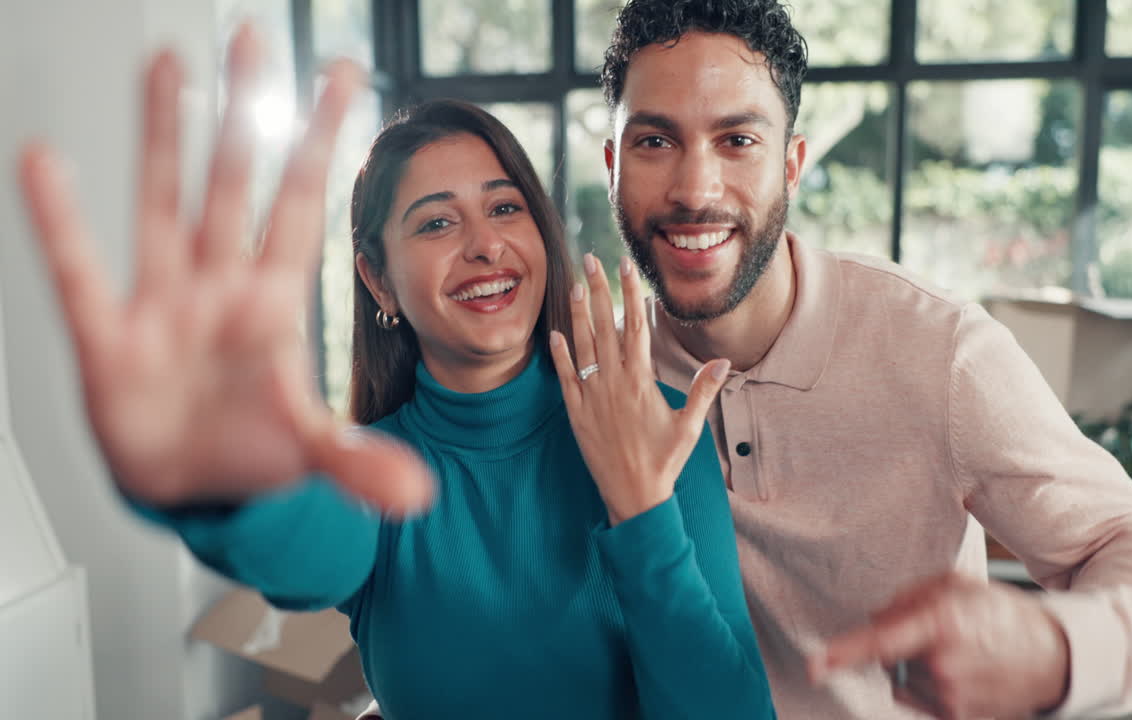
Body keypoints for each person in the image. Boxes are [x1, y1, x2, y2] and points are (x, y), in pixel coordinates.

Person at [17, 26, 776, 719]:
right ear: (378, 282)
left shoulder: (657, 426)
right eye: (437, 222)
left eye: (505, 209)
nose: (485, 246)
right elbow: (308, 552)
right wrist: (229, 493)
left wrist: (642, 512)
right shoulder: (373, 472)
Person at [593, 0, 1132, 718]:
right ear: (612, 166)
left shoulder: (940, 350)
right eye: (654, 141)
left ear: (792, 166)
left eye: (737, 140)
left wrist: (1054, 647)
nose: (694, 190)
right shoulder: (595, 384)